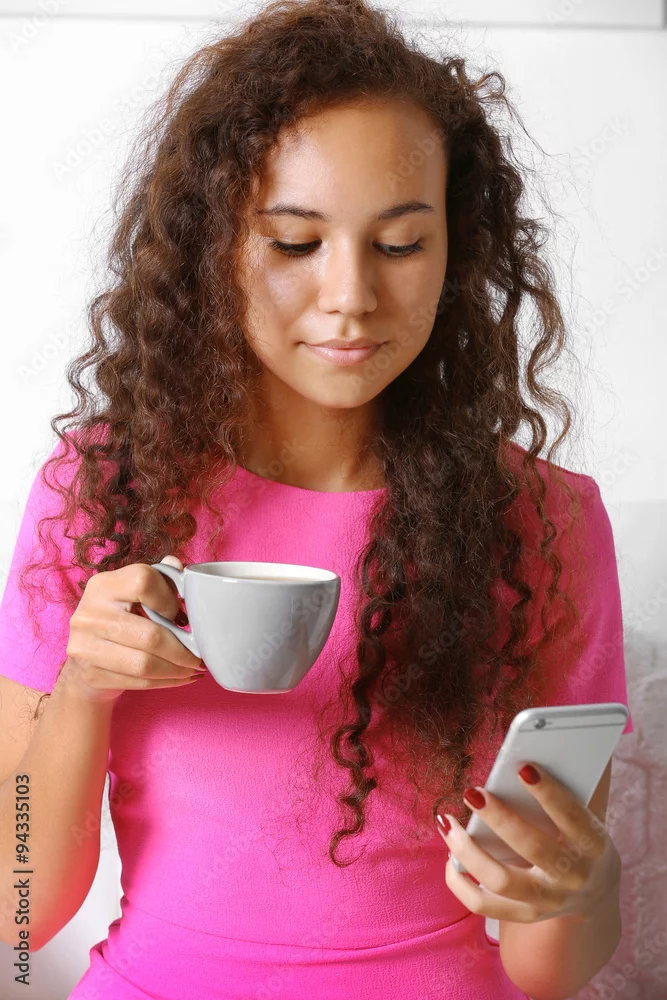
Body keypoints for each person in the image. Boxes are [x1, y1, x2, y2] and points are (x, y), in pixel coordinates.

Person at [0, 0, 633, 997]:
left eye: (400, 245)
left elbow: (545, 970)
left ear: (457, 253)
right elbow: (18, 910)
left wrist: (582, 888)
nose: (350, 297)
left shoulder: (543, 521)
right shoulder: (103, 489)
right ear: (213, 247)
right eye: (295, 243)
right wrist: (82, 687)